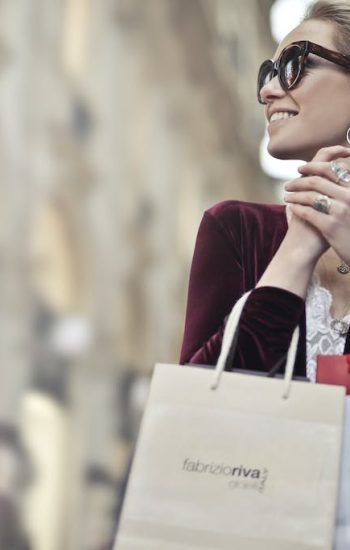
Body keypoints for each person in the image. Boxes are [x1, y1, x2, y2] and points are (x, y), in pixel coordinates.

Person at [180, 0, 350, 382]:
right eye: (268, 73)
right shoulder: (238, 229)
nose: (268, 91)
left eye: (295, 65)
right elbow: (200, 398)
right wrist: (297, 250)